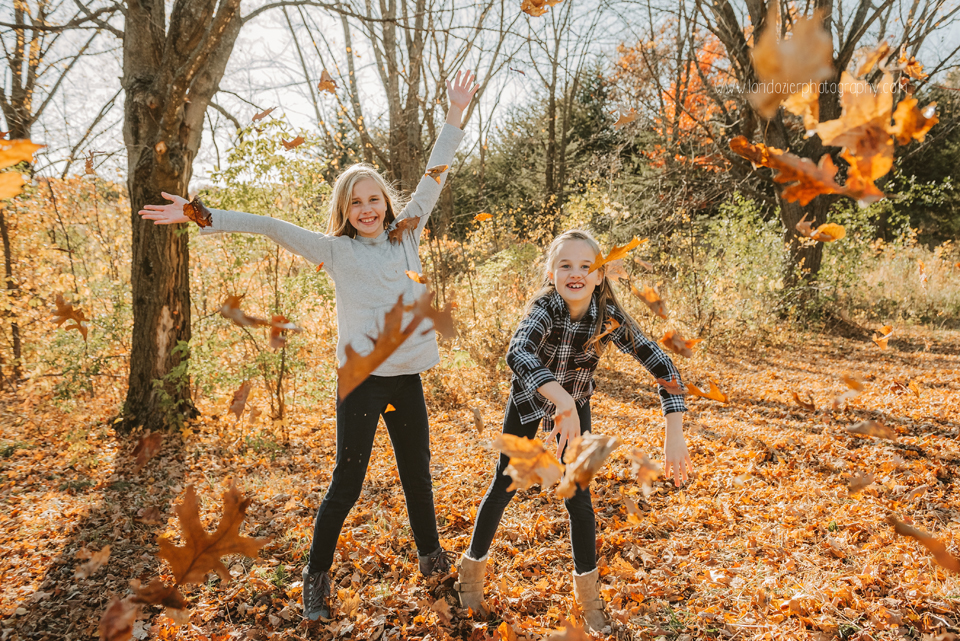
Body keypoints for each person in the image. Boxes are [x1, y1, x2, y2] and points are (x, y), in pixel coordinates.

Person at [138, 70, 480, 621]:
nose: (367, 210)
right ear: (344, 211)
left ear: (389, 203)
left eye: (374, 199)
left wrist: (455, 115)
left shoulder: (408, 232)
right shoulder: (337, 251)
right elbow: (271, 226)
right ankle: (315, 577)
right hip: (362, 382)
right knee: (347, 482)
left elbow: (435, 173)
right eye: (355, 204)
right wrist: (201, 213)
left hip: (407, 378)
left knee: (419, 476)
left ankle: (431, 557)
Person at [454, 229, 694, 634]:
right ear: (551, 272)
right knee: (505, 485)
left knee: (578, 495)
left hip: (577, 406)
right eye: (565, 265)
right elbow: (519, 352)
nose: (576, 273)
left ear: (599, 275)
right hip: (531, 404)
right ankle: (471, 572)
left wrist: (675, 432)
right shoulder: (545, 309)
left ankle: (589, 596)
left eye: (586, 266)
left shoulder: (608, 315)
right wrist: (560, 402)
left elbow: (664, 368)